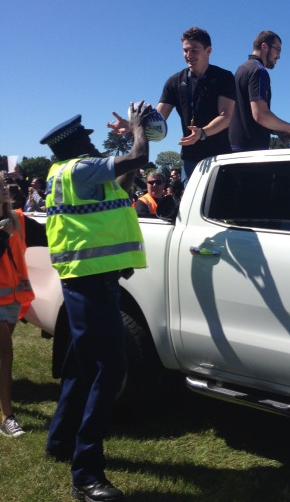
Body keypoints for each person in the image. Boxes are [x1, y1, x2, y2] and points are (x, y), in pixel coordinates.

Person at [41, 104, 150, 502]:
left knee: (81, 364)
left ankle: (59, 440)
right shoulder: (77, 169)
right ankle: (86, 473)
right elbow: (137, 157)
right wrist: (138, 130)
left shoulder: (71, 173)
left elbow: (122, 179)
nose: (92, 141)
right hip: (88, 282)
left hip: (87, 279)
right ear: (73, 145)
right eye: (86, 138)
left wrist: (128, 138)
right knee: (109, 369)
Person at [108, 27, 236, 184]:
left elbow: (226, 116)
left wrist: (202, 133)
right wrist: (131, 126)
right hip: (191, 159)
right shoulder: (174, 82)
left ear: (208, 50)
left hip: (220, 156)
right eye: (185, 51)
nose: (189, 56)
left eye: (194, 51)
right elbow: (158, 117)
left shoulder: (223, 77)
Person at [0, 175, 47, 437]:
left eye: (3, 186)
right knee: (4, 356)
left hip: (12, 302)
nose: (3, 190)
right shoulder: (9, 225)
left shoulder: (19, 219)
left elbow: (51, 236)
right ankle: (7, 418)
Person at [229, 30, 290, 151]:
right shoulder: (259, 71)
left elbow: (247, 115)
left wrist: (277, 130)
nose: (279, 56)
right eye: (278, 50)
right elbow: (260, 115)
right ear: (264, 46)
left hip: (235, 149)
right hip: (251, 153)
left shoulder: (242, 69)